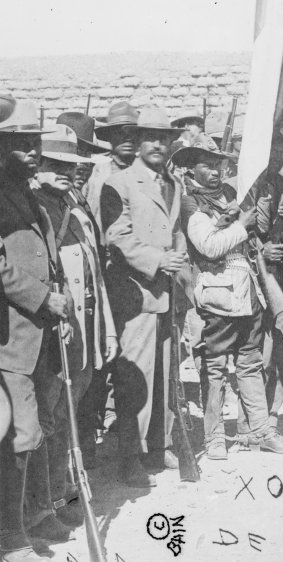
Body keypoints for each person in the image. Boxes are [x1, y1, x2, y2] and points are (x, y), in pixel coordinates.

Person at [175, 142, 283, 458]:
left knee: (250, 361)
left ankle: (259, 430)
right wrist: (241, 225)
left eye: (220, 165)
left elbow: (256, 232)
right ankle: (214, 438)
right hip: (215, 294)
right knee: (214, 369)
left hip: (247, 291)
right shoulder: (190, 202)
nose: (215, 171)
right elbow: (208, 246)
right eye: (207, 165)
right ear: (191, 169)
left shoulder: (231, 196)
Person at [33, 124, 119, 528]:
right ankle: (40, 508)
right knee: (46, 419)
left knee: (67, 417)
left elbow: (94, 276)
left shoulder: (74, 204)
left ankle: (60, 493)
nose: (68, 172)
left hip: (83, 329)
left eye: (73, 164)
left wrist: (108, 330)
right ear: (37, 164)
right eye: (56, 164)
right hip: (51, 332)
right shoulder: (34, 207)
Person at [0, 98, 75, 560]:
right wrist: (43, 299)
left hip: (36, 333)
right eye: (19, 143)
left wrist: (55, 312)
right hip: (9, 338)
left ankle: (24, 522)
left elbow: (46, 261)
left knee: (31, 432)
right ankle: (10, 539)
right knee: (20, 433)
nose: (32, 149)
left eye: (33, 141)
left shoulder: (27, 193)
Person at [100, 108, 187, 487]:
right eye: (151, 138)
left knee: (165, 373)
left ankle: (159, 444)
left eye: (165, 139)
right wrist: (157, 259)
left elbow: (176, 228)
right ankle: (129, 455)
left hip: (168, 292)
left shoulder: (173, 183)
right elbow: (117, 237)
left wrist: (179, 256)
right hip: (135, 295)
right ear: (137, 142)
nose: (159, 145)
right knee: (135, 377)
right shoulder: (118, 183)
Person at [85, 101, 139, 233]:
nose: (127, 138)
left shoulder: (147, 172)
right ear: (110, 136)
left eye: (132, 133)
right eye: (120, 133)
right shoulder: (96, 175)